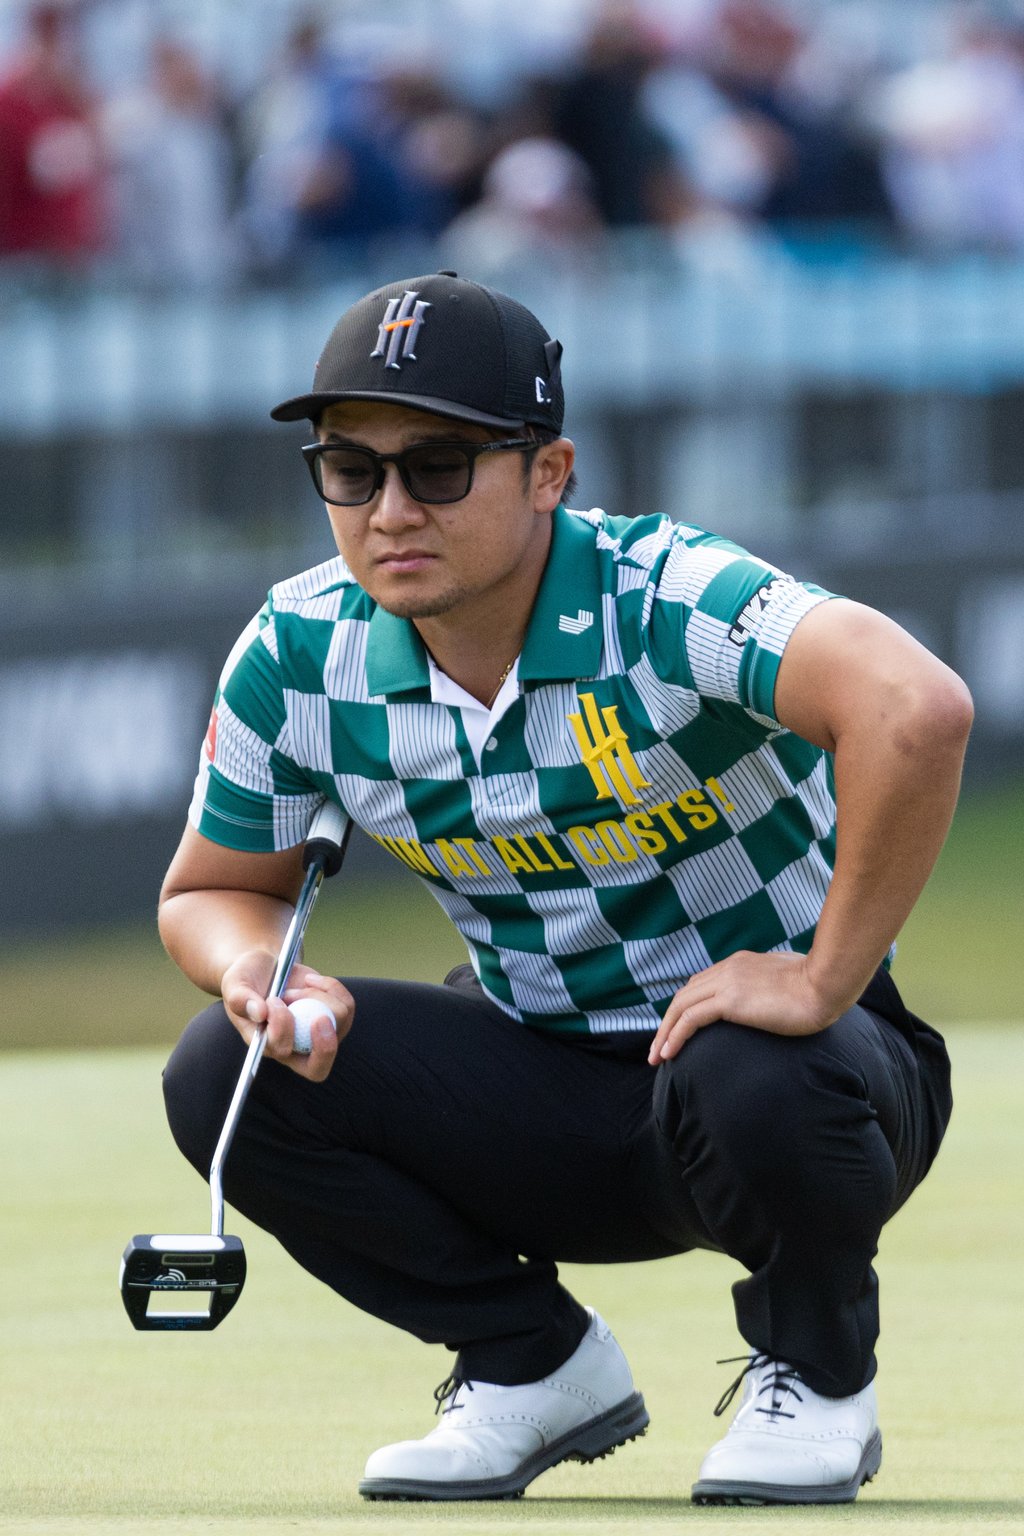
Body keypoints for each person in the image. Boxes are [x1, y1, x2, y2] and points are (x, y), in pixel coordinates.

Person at [159, 270, 971, 1505]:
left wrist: (821, 978)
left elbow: (915, 709)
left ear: (549, 472)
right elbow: (212, 891)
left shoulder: (666, 597)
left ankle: (816, 1372)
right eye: (350, 469)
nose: (388, 509)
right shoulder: (298, 650)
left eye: (438, 467)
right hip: (539, 1084)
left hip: (800, 1090)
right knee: (226, 1072)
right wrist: (257, 970)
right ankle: (532, 1366)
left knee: (748, 1059)